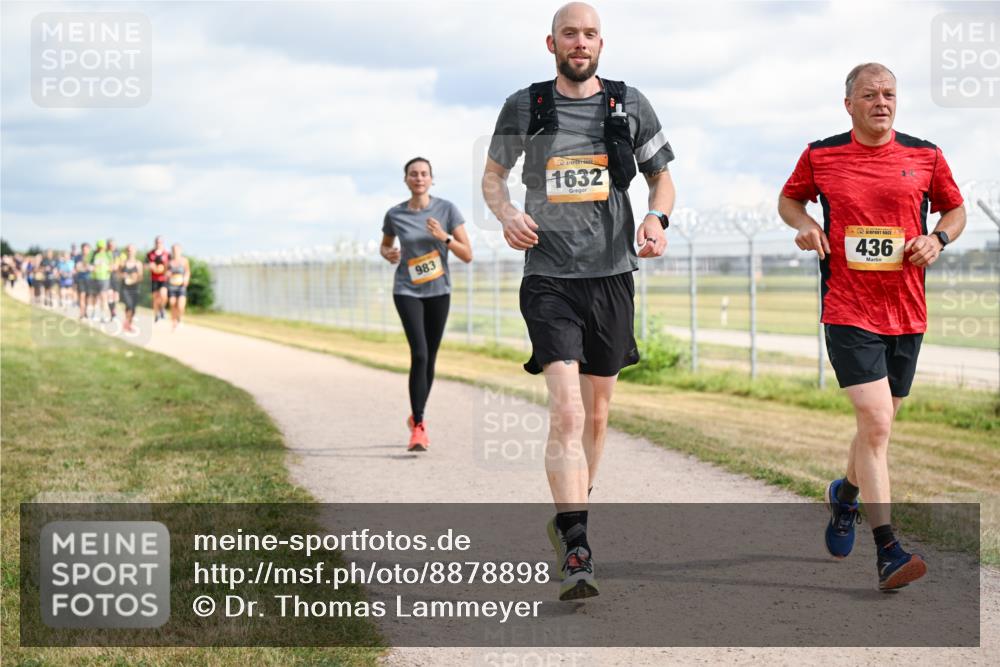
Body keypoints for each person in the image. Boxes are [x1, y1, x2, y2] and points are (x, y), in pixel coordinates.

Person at [482, 2, 674, 601]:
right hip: (549, 278)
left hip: (613, 276)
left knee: (596, 415)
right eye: (571, 33)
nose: (581, 42)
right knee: (565, 411)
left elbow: (660, 176)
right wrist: (508, 212)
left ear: (601, 42)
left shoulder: (629, 103)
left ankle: (570, 513)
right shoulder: (525, 105)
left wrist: (657, 218)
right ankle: (578, 547)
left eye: (590, 33)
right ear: (552, 43)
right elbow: (493, 177)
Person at [778, 63, 966, 591]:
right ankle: (888, 550)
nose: (881, 102)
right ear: (849, 104)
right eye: (869, 95)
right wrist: (807, 224)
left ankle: (846, 497)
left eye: (889, 94)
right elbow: (789, 199)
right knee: (877, 423)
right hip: (847, 307)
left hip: (906, 311)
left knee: (875, 430)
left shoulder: (925, 155)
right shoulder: (822, 154)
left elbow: (954, 210)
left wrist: (939, 239)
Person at [380, 157, 473, 452]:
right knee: (419, 353)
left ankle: (416, 414)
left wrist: (443, 237)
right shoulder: (395, 214)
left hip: (438, 291)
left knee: (430, 357)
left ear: (432, 179)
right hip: (407, 289)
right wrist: (388, 253)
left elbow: (467, 254)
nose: (419, 178)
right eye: (413, 174)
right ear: (406, 179)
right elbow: (385, 245)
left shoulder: (447, 210)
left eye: (424, 174)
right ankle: (419, 425)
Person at [166, 243, 191, 330]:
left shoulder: (184, 261)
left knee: (180, 306)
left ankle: (179, 319)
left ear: (180, 250)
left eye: (177, 250)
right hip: (172, 286)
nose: (175, 252)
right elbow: (165, 273)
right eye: (173, 250)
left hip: (181, 286)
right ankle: (174, 321)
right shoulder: (169, 262)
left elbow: (187, 271)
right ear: (172, 251)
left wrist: (186, 279)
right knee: (172, 304)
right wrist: (167, 274)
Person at [120, 244, 143, 334]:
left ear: (135, 251)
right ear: (126, 251)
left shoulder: (138, 263)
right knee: (128, 305)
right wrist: (123, 275)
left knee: (133, 307)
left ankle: (129, 323)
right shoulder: (123, 263)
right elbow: (118, 274)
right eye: (128, 250)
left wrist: (135, 277)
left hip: (135, 287)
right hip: (125, 287)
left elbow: (141, 277)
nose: (130, 252)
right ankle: (127, 323)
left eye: (132, 250)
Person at [89, 239, 114, 322]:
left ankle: (103, 315)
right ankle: (94, 313)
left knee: (103, 296)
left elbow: (112, 266)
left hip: (104, 278)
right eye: (99, 247)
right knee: (95, 296)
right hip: (94, 278)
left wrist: (108, 268)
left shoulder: (108, 254)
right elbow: (90, 264)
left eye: (101, 247)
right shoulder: (94, 255)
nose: (100, 249)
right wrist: (92, 268)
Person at [147, 236, 170, 322]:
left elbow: (170, 266)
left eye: (160, 242)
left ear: (162, 243)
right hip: (154, 279)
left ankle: (162, 309)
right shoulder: (150, 254)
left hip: (163, 279)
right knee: (155, 298)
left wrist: (167, 270)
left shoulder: (167, 254)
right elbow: (145, 265)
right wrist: (150, 266)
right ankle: (156, 315)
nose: (158, 244)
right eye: (157, 242)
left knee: (163, 295)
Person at [75, 243, 92, 320]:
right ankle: (81, 313)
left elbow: (93, 268)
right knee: (82, 296)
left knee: (87, 298)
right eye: (83, 249)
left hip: (89, 279)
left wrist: (85, 267)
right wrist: (86, 267)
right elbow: (78, 268)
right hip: (81, 279)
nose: (85, 251)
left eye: (86, 249)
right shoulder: (78, 257)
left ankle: (86, 312)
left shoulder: (92, 257)